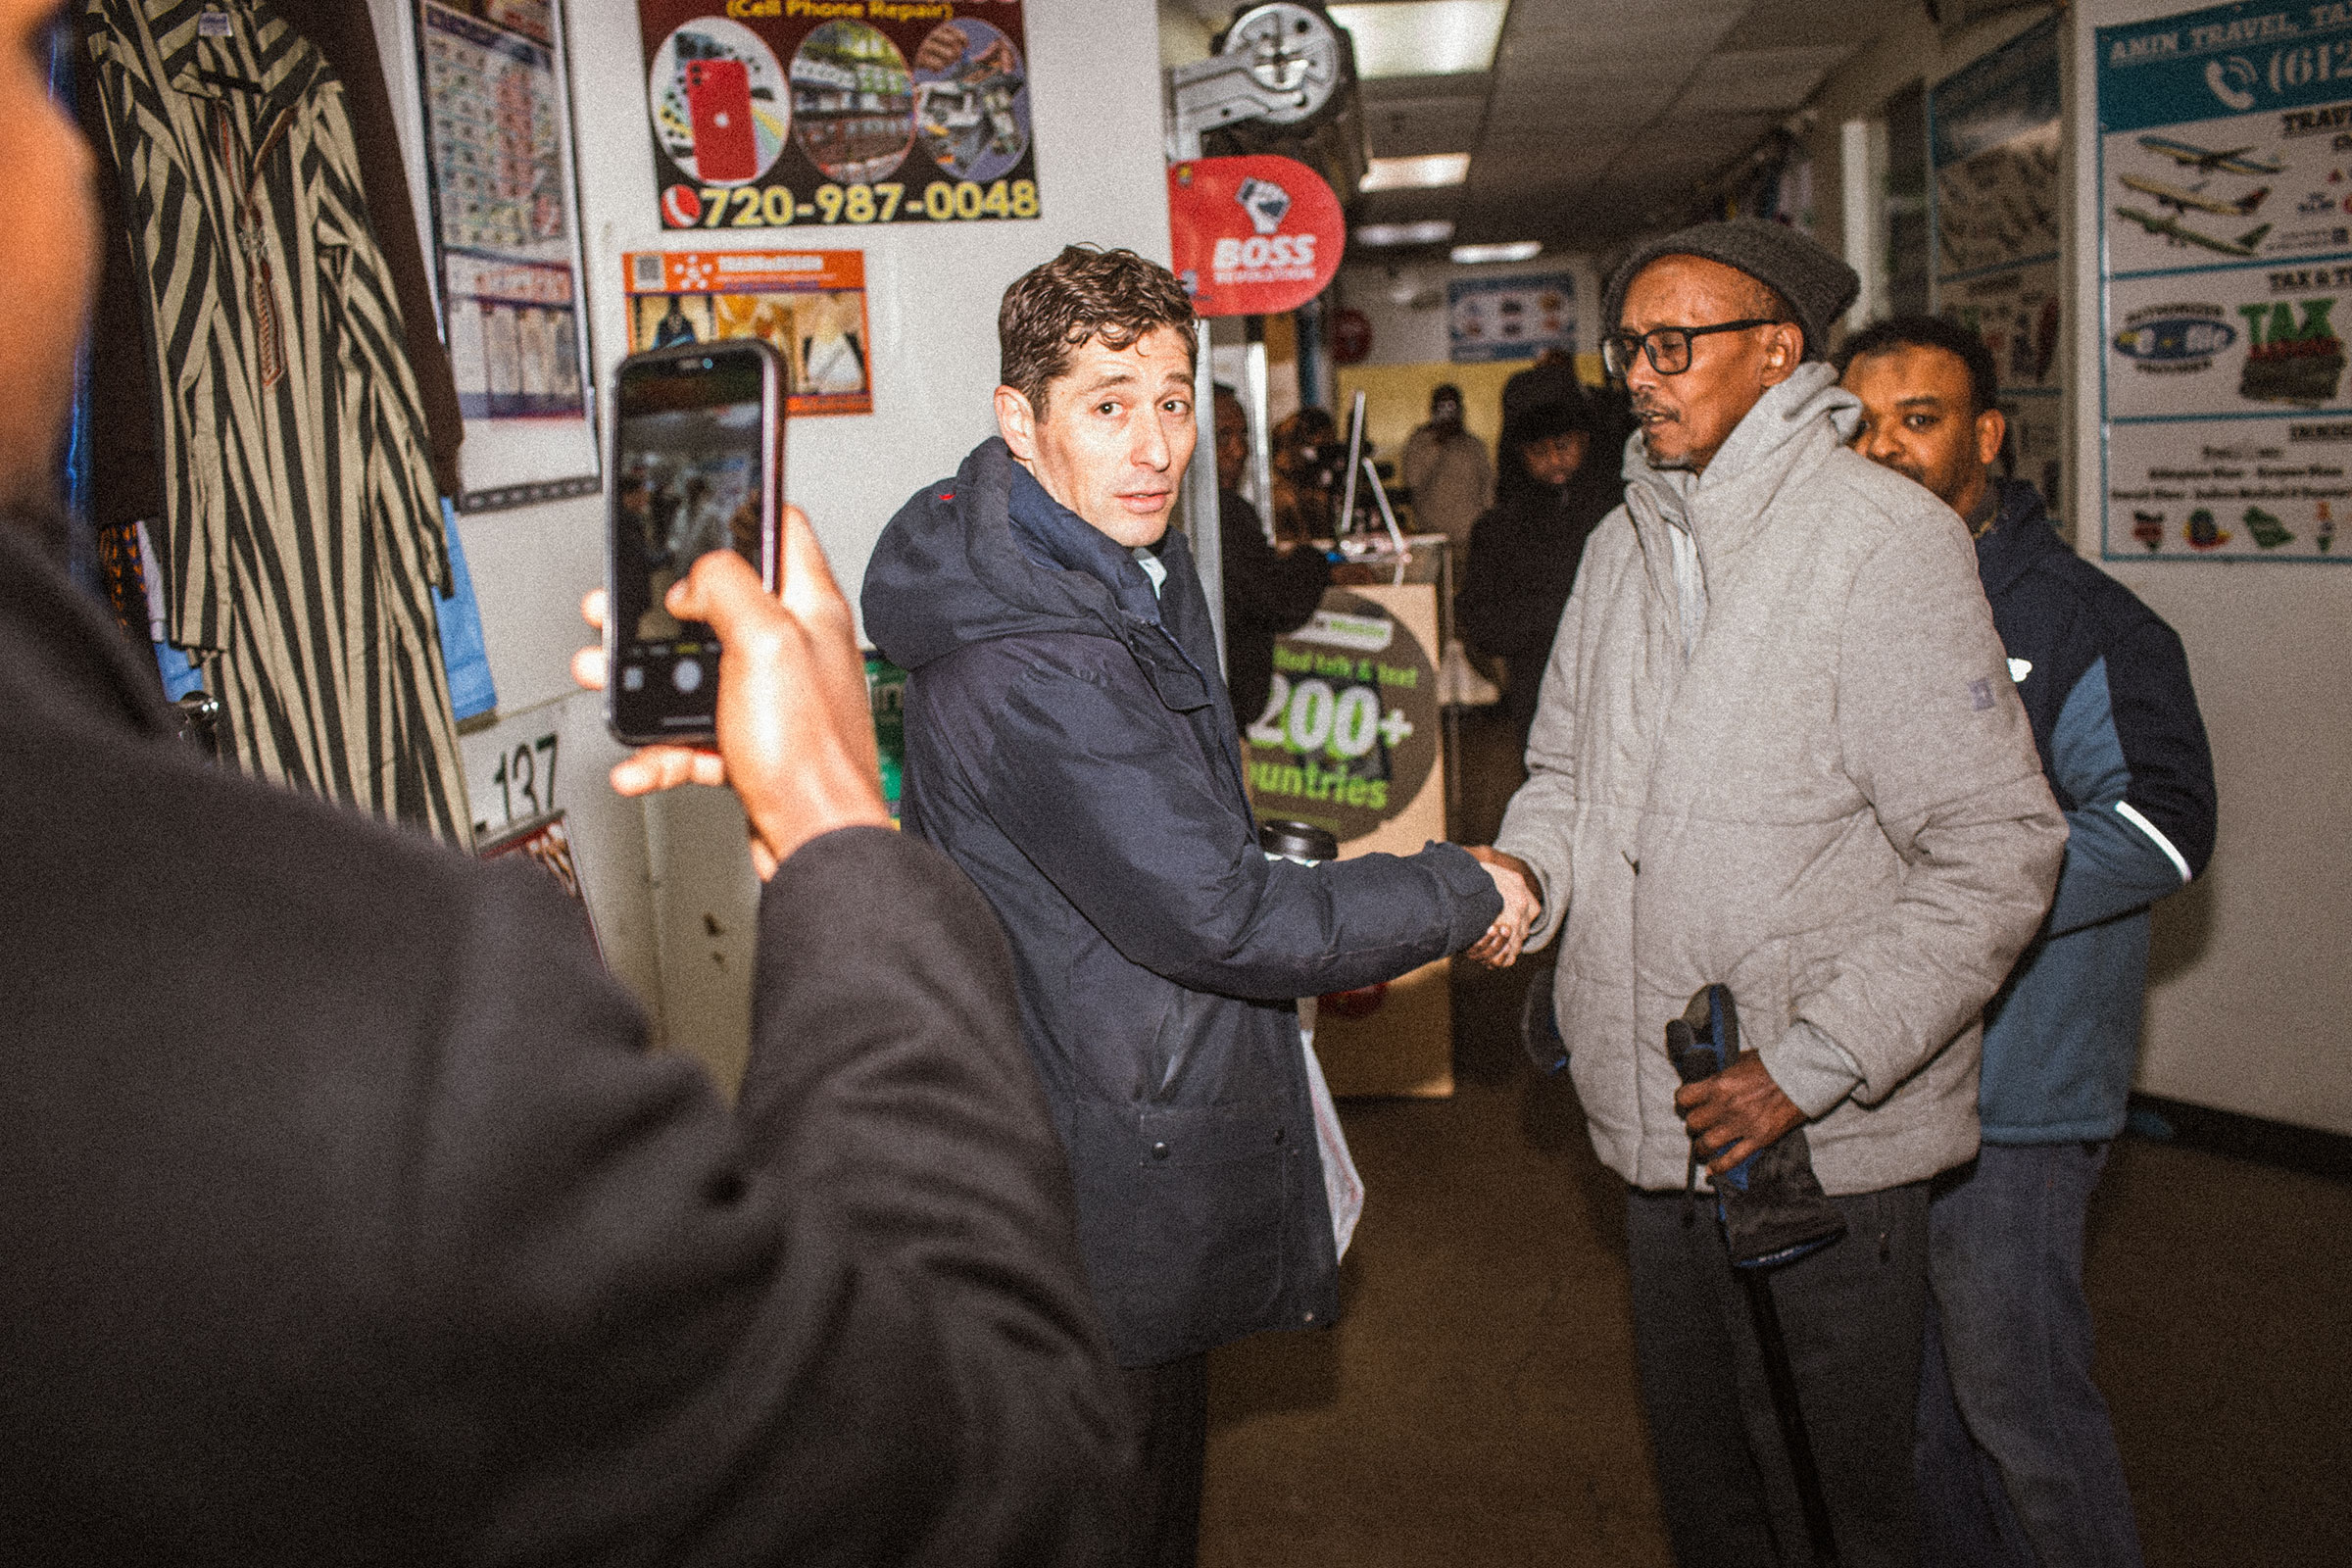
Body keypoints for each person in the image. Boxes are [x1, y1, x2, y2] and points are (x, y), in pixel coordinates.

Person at [0, 0, 1130, 1552]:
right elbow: (1002, 1481)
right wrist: (838, 831)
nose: (71, 148)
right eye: (22, 65)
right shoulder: (396, 1013)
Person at [859, 244, 1536, 1568]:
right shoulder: (1043, 651)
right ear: (1022, 421)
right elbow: (1225, 920)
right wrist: (1463, 882)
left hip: (1092, 1098)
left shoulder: (1089, 575)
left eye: (1173, 399)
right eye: (1109, 402)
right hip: (1095, 1151)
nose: (1156, 443)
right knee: (1115, 1508)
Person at [1473, 220, 2067, 1568]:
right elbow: (1565, 770)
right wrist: (1529, 879)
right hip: (1652, 1119)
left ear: (1780, 353)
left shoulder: (1884, 545)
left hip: (1818, 1148)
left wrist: (1808, 1065)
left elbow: (1998, 847)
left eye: (1675, 345)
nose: (1641, 373)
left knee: (1840, 1506)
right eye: (1629, 345)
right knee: (1716, 1496)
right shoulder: (1625, 543)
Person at [1841, 316, 2217, 1568]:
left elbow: (2162, 830)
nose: (1886, 446)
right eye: (1863, 422)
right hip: (1885, 1085)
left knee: (2022, 1408)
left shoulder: (2085, 623)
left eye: (1922, 417)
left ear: (1987, 434)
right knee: (1917, 1422)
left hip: (2021, 1096)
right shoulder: (1849, 598)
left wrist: (1961, 891)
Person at [1454, 395, 1618, 750]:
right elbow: (1480, 619)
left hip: (1617, 687)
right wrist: (1557, 614)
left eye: (1563, 445)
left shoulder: (1619, 517)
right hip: (1539, 689)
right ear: (1520, 455)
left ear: (1585, 441)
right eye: (1538, 452)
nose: (1554, 460)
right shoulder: (1499, 529)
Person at [1211, 382, 1330, 728]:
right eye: (1223, 436)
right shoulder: (1225, 513)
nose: (1239, 450)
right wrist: (1315, 561)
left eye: (1243, 435)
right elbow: (1280, 602)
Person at [1399, 380, 1493, 562]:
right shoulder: (1420, 442)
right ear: (1433, 409)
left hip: (1470, 538)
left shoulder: (1473, 445)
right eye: (1442, 406)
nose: (1448, 411)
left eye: (1452, 406)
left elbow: (1488, 488)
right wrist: (1438, 443)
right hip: (1433, 537)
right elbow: (1412, 481)